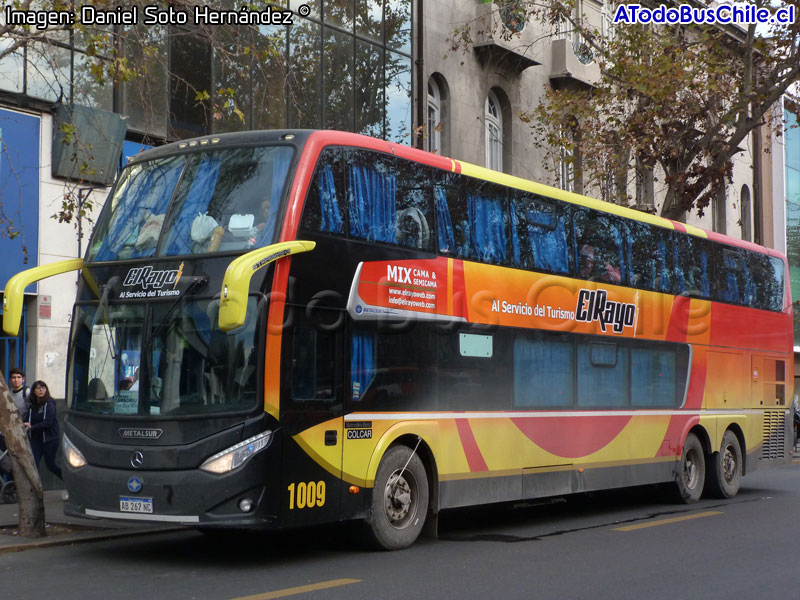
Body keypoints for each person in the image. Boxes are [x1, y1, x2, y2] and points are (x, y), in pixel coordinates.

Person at [23, 380, 62, 480]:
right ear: (34, 391)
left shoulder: (49, 404)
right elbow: (28, 420)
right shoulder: (32, 407)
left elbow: (48, 423)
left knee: (50, 465)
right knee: (33, 465)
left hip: (50, 440)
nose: (41, 390)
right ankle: (35, 490)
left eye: (43, 388)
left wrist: (32, 427)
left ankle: (68, 480)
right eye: (38, 388)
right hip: (36, 440)